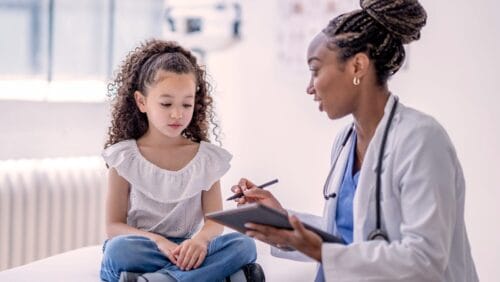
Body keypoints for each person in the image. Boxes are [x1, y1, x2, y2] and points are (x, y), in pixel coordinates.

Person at [231, 0, 479, 281]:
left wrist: (321, 251)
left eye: (315, 70)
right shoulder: (345, 141)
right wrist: (287, 224)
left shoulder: (421, 140)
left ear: (358, 66)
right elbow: (348, 238)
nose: (310, 87)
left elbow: (424, 260)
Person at [100, 39, 263, 282]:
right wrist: (159, 241)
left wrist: (199, 241)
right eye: (166, 104)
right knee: (117, 251)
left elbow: (214, 222)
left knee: (244, 245)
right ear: (141, 102)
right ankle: (215, 277)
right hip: (146, 247)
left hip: (189, 249)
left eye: (186, 104)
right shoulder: (124, 157)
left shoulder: (207, 158)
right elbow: (114, 226)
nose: (177, 114)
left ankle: (163, 279)